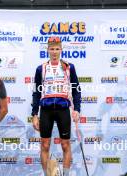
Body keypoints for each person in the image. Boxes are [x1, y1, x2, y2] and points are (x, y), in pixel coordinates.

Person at [31, 36, 81, 176]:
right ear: (47, 50)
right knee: (45, 145)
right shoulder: (41, 68)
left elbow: (76, 89)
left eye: (57, 49)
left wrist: (77, 109)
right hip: (46, 110)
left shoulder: (68, 67)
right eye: (52, 49)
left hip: (63, 110)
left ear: (61, 50)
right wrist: (34, 114)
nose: (54, 52)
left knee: (65, 144)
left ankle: (65, 174)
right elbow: (36, 92)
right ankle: (48, 174)